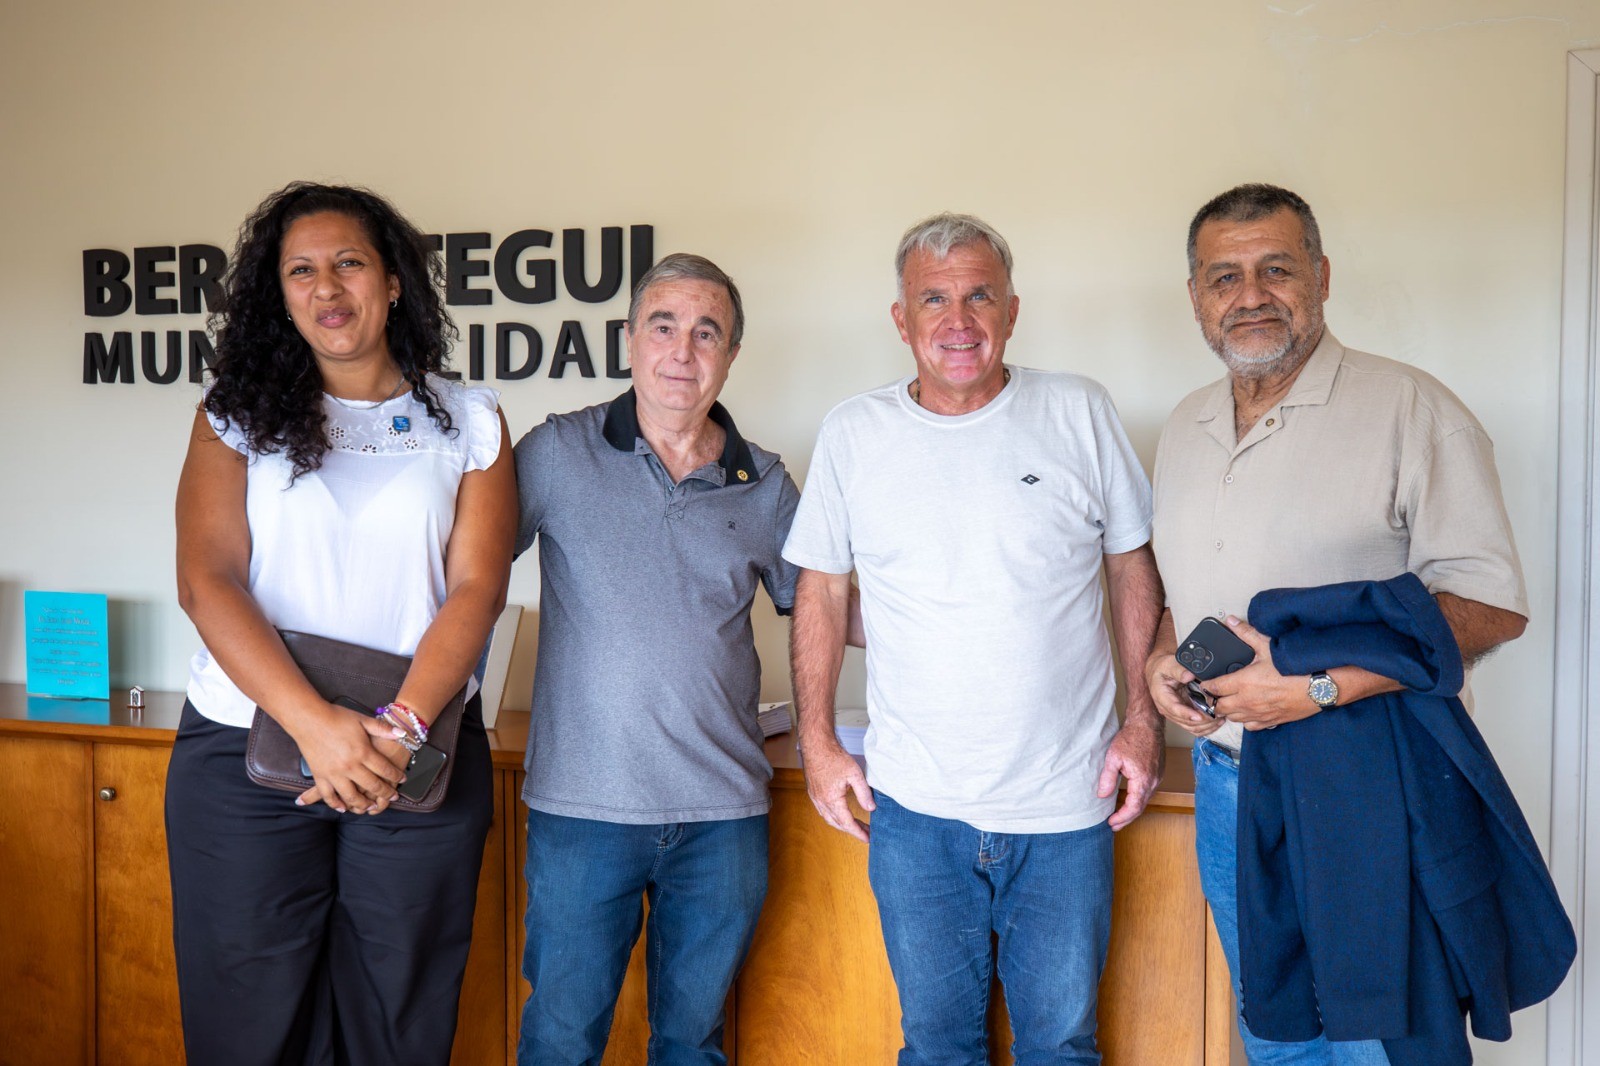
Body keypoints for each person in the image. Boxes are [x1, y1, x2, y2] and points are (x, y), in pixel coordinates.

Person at [1144, 183, 1528, 1063]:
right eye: (1224, 276)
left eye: (1276, 269)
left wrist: (1318, 688)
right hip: (1227, 784)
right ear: (1197, 296)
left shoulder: (1411, 409)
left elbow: (1491, 605)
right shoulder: (1184, 425)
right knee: (1278, 1035)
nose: (1250, 295)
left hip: (1362, 782)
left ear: (1320, 276)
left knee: (1380, 1040)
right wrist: (1164, 659)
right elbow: (1184, 588)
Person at [784, 213, 1165, 1065]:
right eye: (934, 298)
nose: (959, 320)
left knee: (1063, 1046)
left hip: (1068, 808)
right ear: (901, 319)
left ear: (1012, 309)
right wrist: (816, 743)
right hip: (915, 814)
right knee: (935, 1049)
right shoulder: (854, 434)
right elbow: (819, 592)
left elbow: (1132, 572)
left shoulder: (1078, 411)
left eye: (979, 295)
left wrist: (1144, 721)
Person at [168, 181, 516, 1065]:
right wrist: (317, 727)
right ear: (277, 294)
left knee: (398, 1019)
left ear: (393, 279)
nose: (328, 288)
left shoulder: (471, 421)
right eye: (302, 270)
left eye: (349, 263)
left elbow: (477, 588)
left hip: (417, 751)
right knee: (247, 1022)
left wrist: (395, 729)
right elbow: (208, 582)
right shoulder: (233, 419)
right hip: (244, 750)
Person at [513, 253, 811, 1065]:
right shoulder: (554, 453)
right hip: (583, 812)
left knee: (693, 1045)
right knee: (562, 1039)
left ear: (731, 355)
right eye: (665, 326)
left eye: (707, 331)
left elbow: (826, 615)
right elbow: (462, 575)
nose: (684, 349)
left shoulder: (767, 485)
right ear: (630, 340)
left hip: (723, 817)